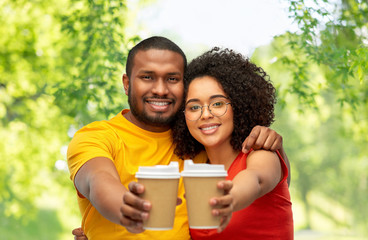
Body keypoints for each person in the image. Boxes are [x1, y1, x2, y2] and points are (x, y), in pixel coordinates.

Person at [68, 36, 289, 240]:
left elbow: (262, 180)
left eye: (172, 79)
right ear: (127, 83)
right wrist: (126, 208)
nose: (161, 90)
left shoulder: (200, 149)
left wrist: (276, 150)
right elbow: (97, 180)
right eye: (147, 77)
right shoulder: (97, 137)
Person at [171, 47, 293, 239]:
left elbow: (256, 179)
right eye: (194, 107)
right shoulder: (196, 171)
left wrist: (230, 198)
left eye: (217, 103)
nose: (205, 114)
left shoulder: (261, 153)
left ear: (238, 104)